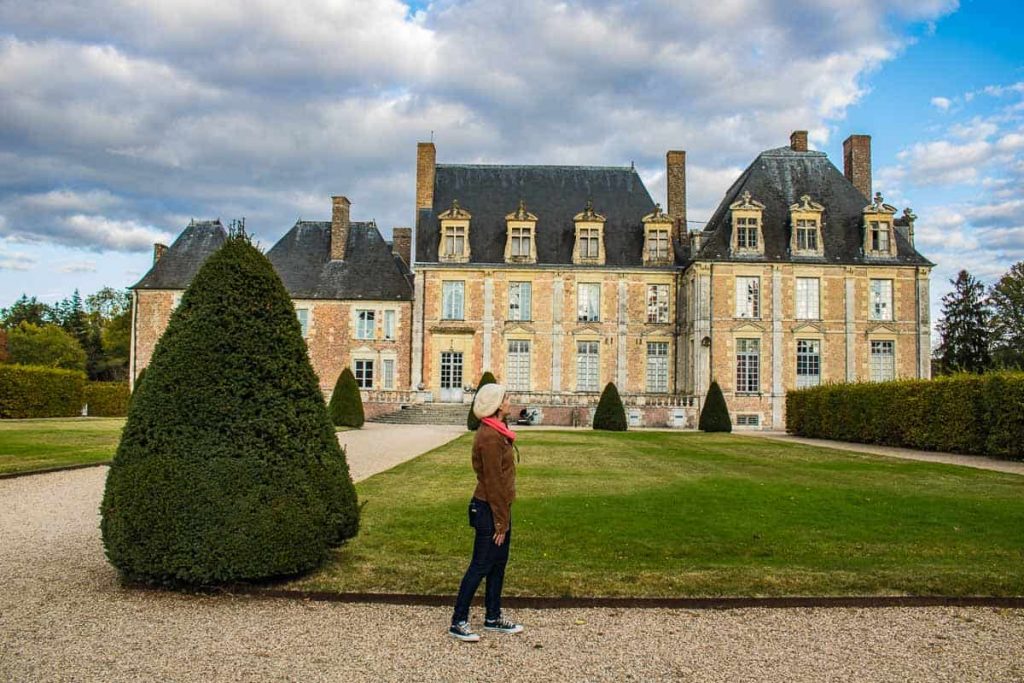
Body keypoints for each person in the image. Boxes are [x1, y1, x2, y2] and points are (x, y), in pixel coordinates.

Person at [448, 383, 524, 642]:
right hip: (488, 509)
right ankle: (458, 621)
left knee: (498, 564)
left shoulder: (498, 430)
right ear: (497, 404)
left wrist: (503, 516)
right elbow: (493, 482)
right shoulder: (490, 437)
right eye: (506, 397)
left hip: (499, 507)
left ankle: (493, 616)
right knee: (480, 566)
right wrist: (500, 523)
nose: (510, 401)